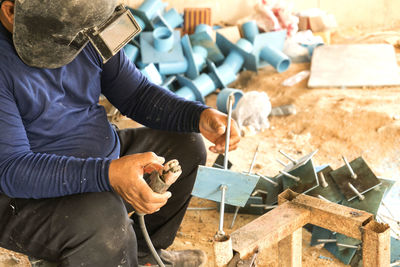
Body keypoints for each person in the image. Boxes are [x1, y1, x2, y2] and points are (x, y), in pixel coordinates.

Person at [0, 0, 240, 266]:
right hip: (20, 194)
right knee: (105, 219)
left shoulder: (87, 24)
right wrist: (107, 174)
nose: (79, 46)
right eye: (66, 39)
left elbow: (137, 94)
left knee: (186, 145)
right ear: (11, 11)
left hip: (99, 161)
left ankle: (142, 255)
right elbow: (11, 169)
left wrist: (198, 115)